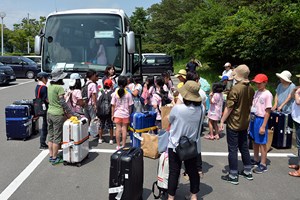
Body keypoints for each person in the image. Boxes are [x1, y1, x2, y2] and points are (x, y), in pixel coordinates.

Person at [219, 64, 255, 185]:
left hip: (234, 122)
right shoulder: (251, 88)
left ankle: (233, 174)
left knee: (233, 148)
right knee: (243, 146)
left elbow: (229, 107)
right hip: (245, 121)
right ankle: (248, 170)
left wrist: (222, 120)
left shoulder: (235, 89)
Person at [167, 80, 202, 200]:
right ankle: (194, 195)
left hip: (175, 144)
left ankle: (170, 197)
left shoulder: (178, 109)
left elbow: (170, 119)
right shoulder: (201, 109)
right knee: (192, 171)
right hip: (191, 144)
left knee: (174, 171)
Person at [47, 68, 80, 165]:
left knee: (51, 135)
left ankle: (51, 155)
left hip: (49, 112)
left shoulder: (50, 86)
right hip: (57, 114)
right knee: (57, 137)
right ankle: (55, 157)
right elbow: (63, 103)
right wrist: (72, 113)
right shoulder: (59, 88)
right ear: (59, 79)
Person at [249, 74, 273, 174]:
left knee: (262, 142)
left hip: (261, 119)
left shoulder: (268, 94)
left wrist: (263, 126)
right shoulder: (256, 92)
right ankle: (256, 158)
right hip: (254, 118)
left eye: (259, 83)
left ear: (265, 82)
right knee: (255, 140)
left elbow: (268, 111)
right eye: (256, 83)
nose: (257, 85)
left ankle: (263, 164)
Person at [111, 75, 133, 150]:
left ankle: (118, 145)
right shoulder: (128, 94)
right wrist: (129, 114)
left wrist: (112, 114)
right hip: (125, 114)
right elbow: (130, 106)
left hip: (117, 114)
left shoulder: (115, 93)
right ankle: (123, 145)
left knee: (117, 129)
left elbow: (113, 105)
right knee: (124, 130)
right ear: (126, 83)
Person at [288, 77, 300, 177]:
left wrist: (297, 93)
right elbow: (292, 97)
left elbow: (298, 102)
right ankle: (298, 164)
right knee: (299, 145)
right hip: (297, 119)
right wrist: (294, 91)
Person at [97, 79, 114, 145]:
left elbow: (98, 102)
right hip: (109, 111)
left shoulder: (100, 92)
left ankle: (100, 139)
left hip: (101, 111)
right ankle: (111, 139)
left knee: (101, 124)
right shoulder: (112, 93)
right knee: (110, 125)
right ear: (111, 85)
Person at [35, 72, 49, 150]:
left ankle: (42, 142)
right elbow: (46, 99)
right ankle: (42, 143)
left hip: (39, 107)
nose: (47, 80)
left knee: (44, 124)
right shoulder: (44, 87)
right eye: (46, 78)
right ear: (43, 78)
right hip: (45, 108)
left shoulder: (37, 86)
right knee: (45, 126)